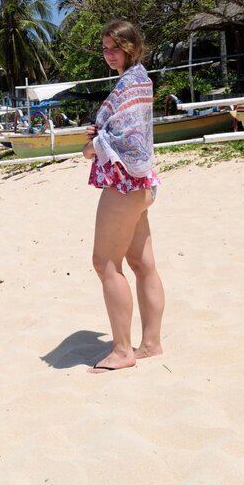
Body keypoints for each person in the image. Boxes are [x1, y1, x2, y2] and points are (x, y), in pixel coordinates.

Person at [82, 19, 164, 374]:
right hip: (143, 183)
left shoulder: (130, 82)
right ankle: (150, 343)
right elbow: (126, 128)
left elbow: (125, 140)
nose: (108, 55)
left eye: (113, 48)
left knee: (105, 264)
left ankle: (121, 350)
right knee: (143, 265)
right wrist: (102, 129)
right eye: (104, 49)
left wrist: (91, 146)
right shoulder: (141, 80)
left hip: (125, 185)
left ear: (130, 48)